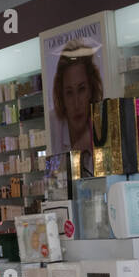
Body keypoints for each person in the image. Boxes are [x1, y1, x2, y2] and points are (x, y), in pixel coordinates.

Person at [52, 39, 104, 175]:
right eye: (69, 93)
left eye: (81, 89)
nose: (76, 103)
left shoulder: (103, 122)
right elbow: (54, 185)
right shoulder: (54, 123)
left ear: (91, 90)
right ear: (62, 96)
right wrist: (78, 148)